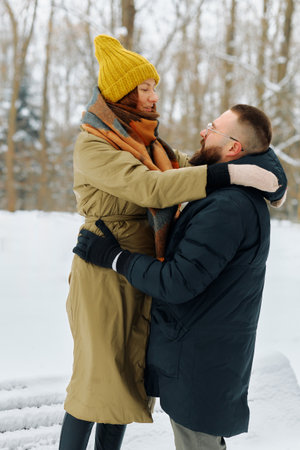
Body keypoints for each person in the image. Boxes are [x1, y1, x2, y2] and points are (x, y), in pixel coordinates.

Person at [59, 32, 282, 450]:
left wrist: (271, 177)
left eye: (153, 86)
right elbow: (149, 189)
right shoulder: (94, 145)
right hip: (103, 269)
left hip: (140, 269)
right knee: (96, 382)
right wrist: (229, 175)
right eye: (145, 87)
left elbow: (214, 155)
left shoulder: (149, 143)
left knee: (126, 382)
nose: (153, 94)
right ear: (123, 93)